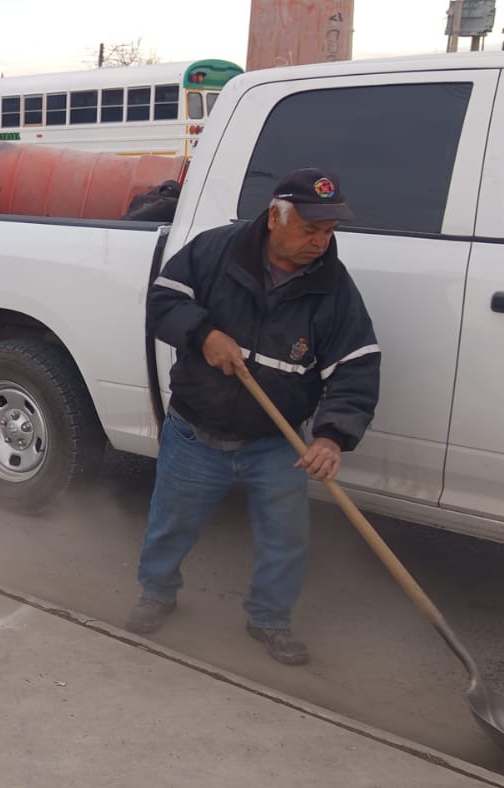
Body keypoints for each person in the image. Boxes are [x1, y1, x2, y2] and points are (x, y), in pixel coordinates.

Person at [123, 167, 381, 666]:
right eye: (310, 229)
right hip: (195, 429)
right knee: (171, 525)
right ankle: (156, 594)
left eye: (328, 232)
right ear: (274, 218)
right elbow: (162, 303)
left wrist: (331, 437)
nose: (320, 242)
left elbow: (356, 365)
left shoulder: (333, 289)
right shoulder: (214, 252)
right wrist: (203, 334)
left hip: (275, 442)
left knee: (286, 540)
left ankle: (270, 620)